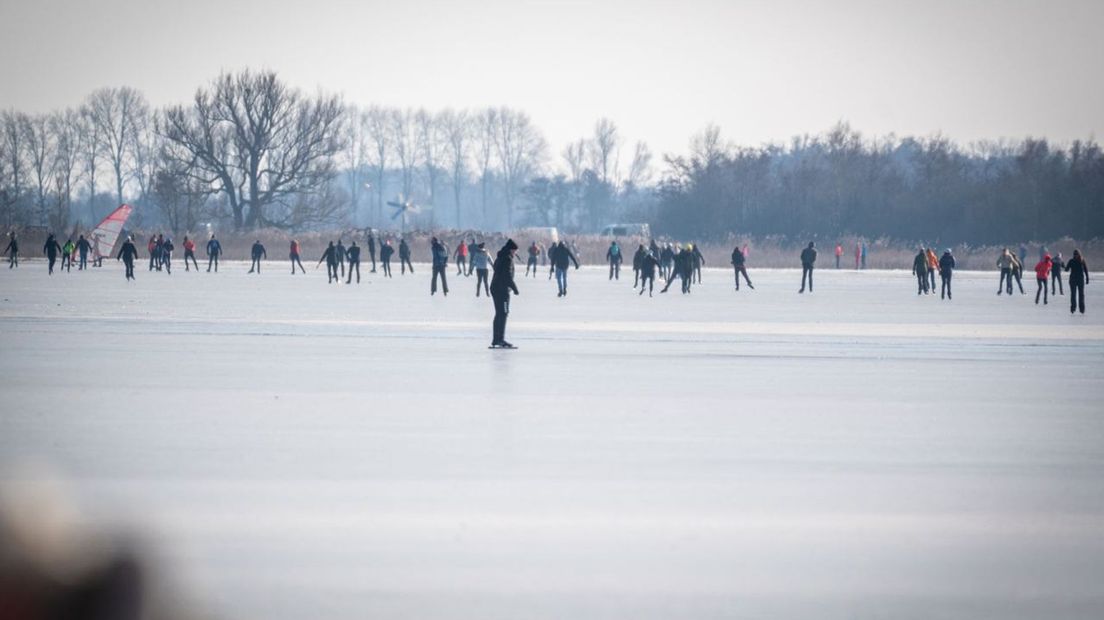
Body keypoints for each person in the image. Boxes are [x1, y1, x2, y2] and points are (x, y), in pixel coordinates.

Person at [489, 239, 520, 348]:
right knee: (503, 313)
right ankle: (500, 339)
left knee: (499, 314)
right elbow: (507, 276)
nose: (515, 253)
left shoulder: (500, 257)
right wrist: (515, 288)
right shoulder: (507, 259)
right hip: (502, 290)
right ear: (511, 250)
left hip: (495, 288)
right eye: (515, 251)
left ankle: (496, 339)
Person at [1064, 249, 1089, 314]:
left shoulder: (1082, 260)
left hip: (1080, 280)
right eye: (1074, 254)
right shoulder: (1071, 261)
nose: (1075, 255)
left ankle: (1082, 309)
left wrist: (1087, 278)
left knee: (1081, 295)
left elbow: (1086, 270)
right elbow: (1066, 269)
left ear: (1079, 254)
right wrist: (1063, 265)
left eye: (1076, 254)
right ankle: (1073, 308)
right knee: (1073, 295)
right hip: (1073, 280)